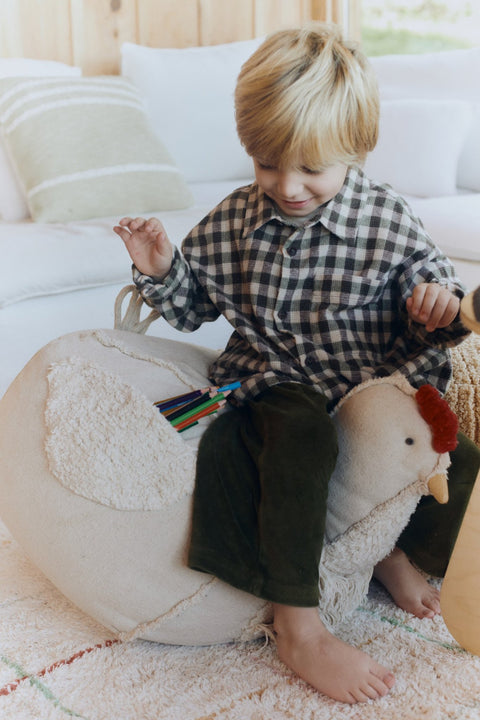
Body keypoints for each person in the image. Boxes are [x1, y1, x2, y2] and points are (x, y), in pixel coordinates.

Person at [114, 23, 480, 704]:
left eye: (312, 167)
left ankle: (390, 550)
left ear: (356, 149)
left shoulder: (387, 218)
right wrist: (162, 268)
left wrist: (437, 299)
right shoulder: (234, 221)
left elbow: (436, 291)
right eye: (267, 164)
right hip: (274, 381)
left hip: (367, 389)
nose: (287, 186)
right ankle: (298, 625)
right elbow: (193, 305)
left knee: (457, 464)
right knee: (301, 436)